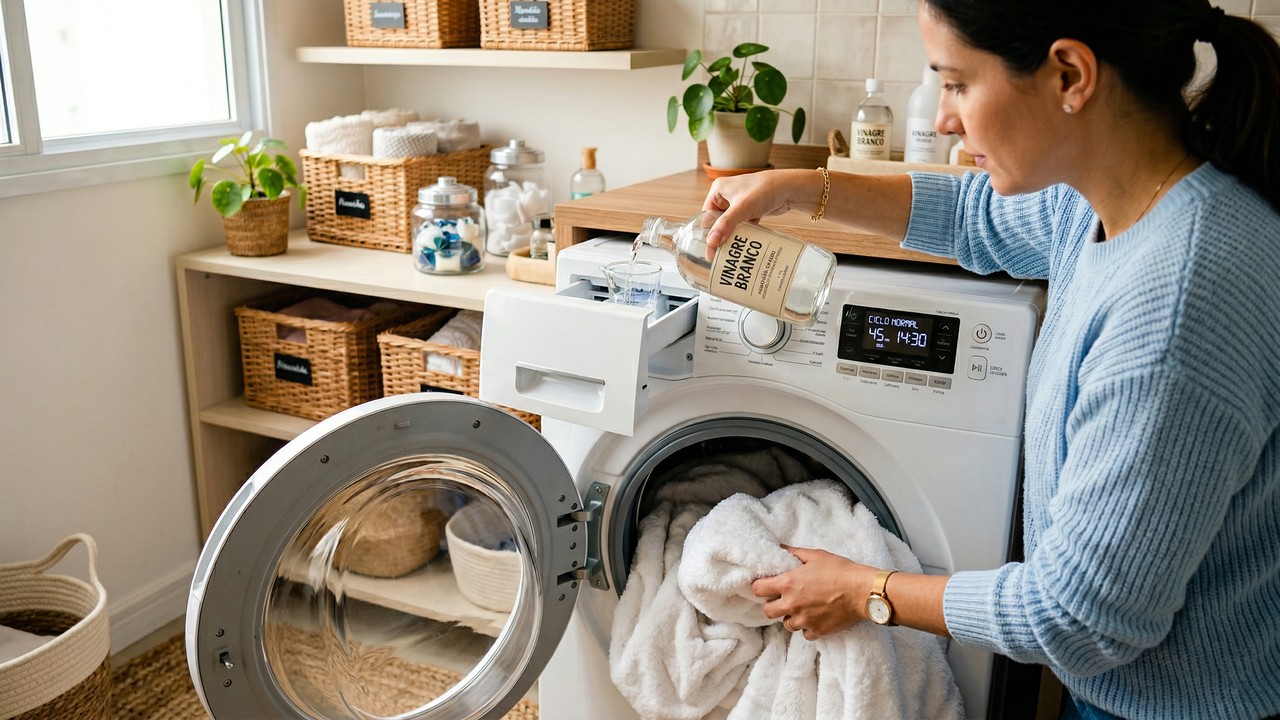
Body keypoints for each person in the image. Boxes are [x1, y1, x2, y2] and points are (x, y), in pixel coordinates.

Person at [702, 2, 1280, 719]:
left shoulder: (1174, 307)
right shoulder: (1117, 201)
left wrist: (861, 590)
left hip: (1183, 706)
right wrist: (801, 188)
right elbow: (976, 216)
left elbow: (1078, 617)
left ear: (1070, 73)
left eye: (957, 83)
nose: (944, 118)